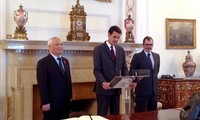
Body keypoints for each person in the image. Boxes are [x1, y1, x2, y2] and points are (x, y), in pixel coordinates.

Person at [93, 25, 136, 116]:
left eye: (118, 37)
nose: (116, 39)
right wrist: (103, 82)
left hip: (116, 89)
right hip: (103, 89)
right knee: (102, 115)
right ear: (108, 35)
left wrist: (128, 80)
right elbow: (97, 70)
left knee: (115, 115)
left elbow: (124, 68)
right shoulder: (98, 49)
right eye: (114, 37)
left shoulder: (120, 50)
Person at [36, 37, 72, 120]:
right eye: (57, 44)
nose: (60, 46)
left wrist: (70, 97)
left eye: (61, 44)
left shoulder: (65, 61)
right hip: (51, 104)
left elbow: (68, 81)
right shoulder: (43, 63)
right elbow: (42, 84)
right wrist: (45, 102)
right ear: (49, 47)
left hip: (65, 103)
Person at [129, 36, 160, 112]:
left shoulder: (157, 56)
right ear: (143, 45)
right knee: (140, 115)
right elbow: (132, 72)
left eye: (150, 44)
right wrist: (135, 82)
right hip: (142, 92)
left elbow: (156, 71)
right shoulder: (137, 56)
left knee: (153, 115)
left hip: (154, 92)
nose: (149, 46)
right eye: (147, 44)